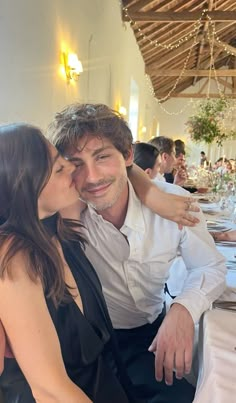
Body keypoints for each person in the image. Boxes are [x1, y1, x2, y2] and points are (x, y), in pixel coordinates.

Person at [48, 103, 226, 403]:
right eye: (76, 163)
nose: (91, 177)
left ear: (128, 155)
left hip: (150, 336)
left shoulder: (175, 205)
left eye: (102, 156)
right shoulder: (67, 209)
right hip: (91, 346)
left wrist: (183, 310)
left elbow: (211, 266)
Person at [0, 123, 147, 403]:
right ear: (25, 186)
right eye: (59, 168)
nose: (72, 169)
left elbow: (119, 166)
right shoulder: (14, 256)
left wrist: (153, 191)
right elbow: (49, 389)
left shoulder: (57, 225)